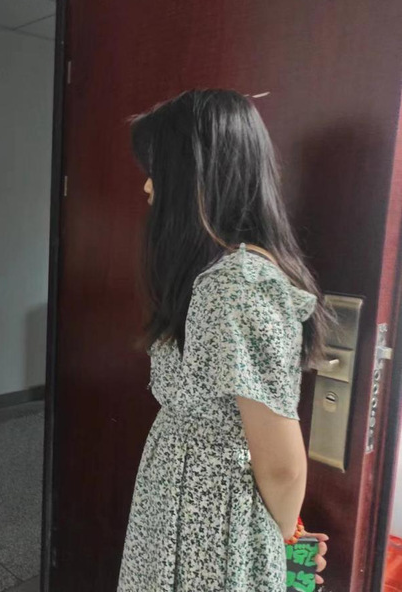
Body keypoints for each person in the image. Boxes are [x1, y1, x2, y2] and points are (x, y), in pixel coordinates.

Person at [117, 90, 328, 591]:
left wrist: (280, 546)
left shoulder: (236, 285)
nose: (147, 185)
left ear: (197, 178)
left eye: (157, 171)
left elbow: (281, 465)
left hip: (209, 524)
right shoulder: (220, 276)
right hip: (188, 505)